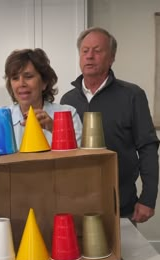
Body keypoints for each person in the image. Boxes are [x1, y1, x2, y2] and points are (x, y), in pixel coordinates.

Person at [60, 27, 159, 223]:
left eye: (97, 51)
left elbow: (147, 147)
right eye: (85, 51)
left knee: (121, 254)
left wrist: (148, 198)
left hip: (121, 205)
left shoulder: (132, 95)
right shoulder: (67, 100)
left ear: (112, 57)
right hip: (75, 204)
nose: (89, 56)